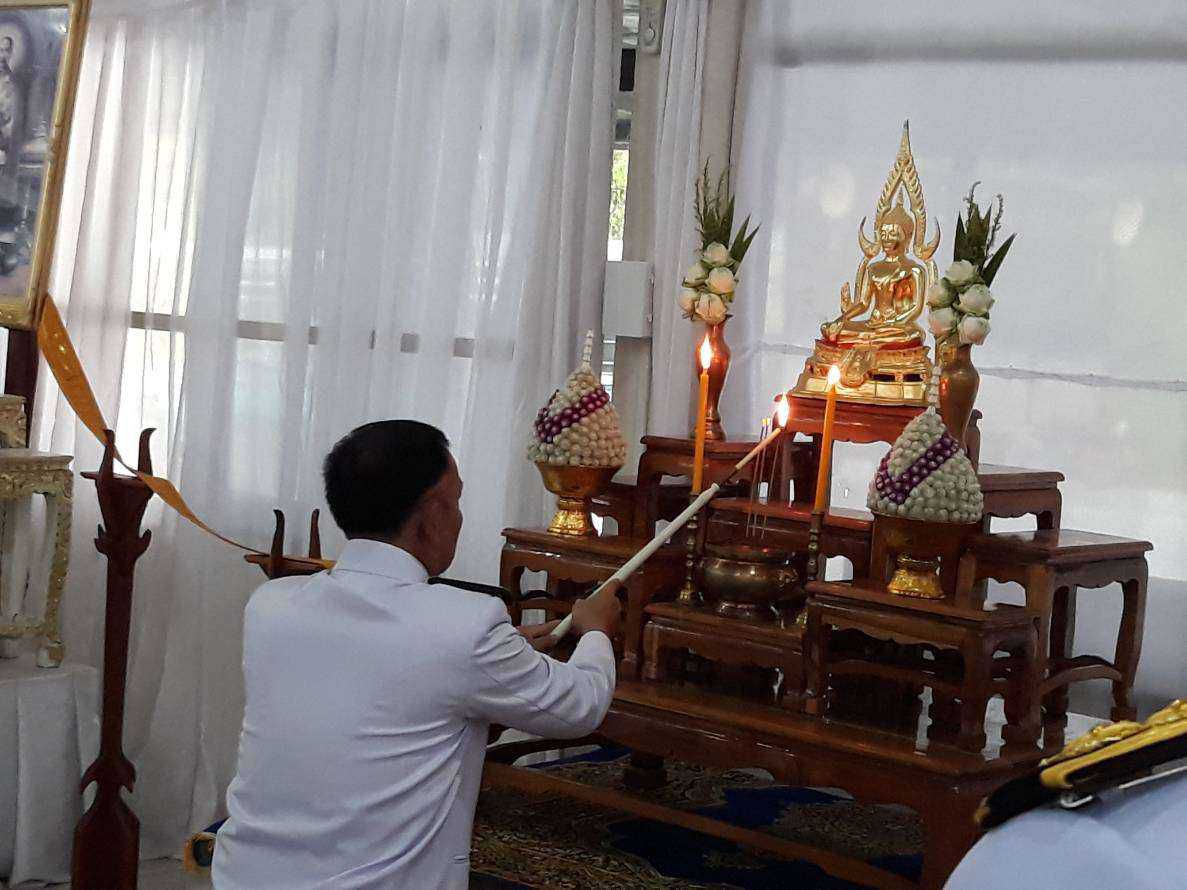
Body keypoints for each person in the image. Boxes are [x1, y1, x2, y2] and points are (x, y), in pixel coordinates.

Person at [212, 420, 620, 889]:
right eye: (457, 501)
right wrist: (596, 631)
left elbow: (386, 686)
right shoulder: (466, 626)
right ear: (431, 511)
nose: (459, 518)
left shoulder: (271, 605)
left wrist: (503, 656)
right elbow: (579, 706)